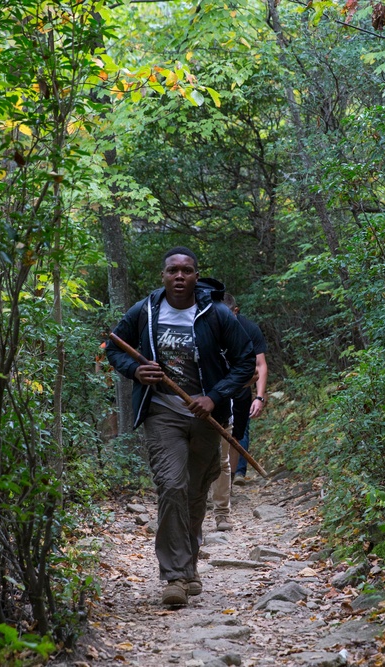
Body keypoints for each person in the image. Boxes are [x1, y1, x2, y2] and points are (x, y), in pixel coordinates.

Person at [105, 247, 255, 607]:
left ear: (196, 275)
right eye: (173, 270)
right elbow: (114, 346)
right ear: (163, 275)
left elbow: (245, 360)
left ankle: (189, 568)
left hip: (206, 418)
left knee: (193, 493)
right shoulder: (145, 310)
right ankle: (174, 576)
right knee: (172, 485)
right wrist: (135, 370)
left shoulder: (216, 314)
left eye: (187, 271)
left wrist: (214, 397)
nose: (179, 277)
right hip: (162, 412)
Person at [223, 293, 268, 485]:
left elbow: (260, 365)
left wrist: (259, 397)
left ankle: (234, 477)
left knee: (237, 434)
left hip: (242, 387)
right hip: (216, 389)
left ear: (236, 311)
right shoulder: (209, 326)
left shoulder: (249, 329)